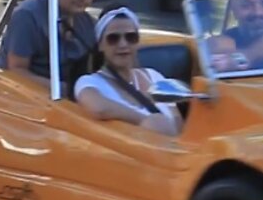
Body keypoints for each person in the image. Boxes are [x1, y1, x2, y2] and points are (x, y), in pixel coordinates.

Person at [0, 0, 102, 97]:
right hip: (23, 97)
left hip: (70, 98)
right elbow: (16, 71)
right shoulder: (27, 16)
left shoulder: (88, 22)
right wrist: (66, 91)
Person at [74, 7, 183, 137]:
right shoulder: (90, 82)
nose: (123, 44)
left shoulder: (154, 76)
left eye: (130, 37)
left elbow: (177, 120)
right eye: (113, 38)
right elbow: (99, 108)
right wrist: (143, 120)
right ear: (100, 45)